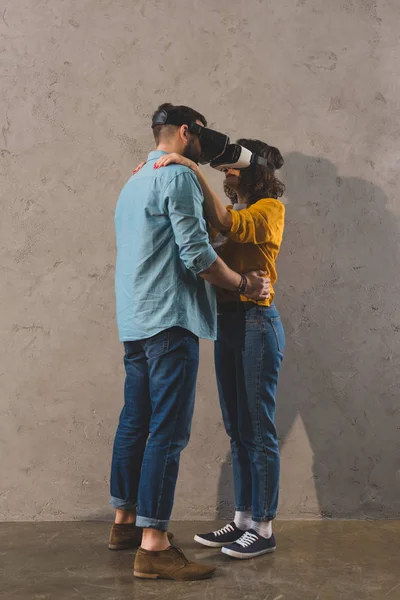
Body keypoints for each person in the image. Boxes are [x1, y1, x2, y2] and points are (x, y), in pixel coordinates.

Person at [108, 104, 270, 581]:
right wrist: (243, 284)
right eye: (199, 140)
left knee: (135, 422)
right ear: (185, 132)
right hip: (169, 318)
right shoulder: (176, 177)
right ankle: (154, 546)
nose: (203, 150)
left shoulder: (134, 178)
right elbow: (196, 254)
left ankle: (125, 523)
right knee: (168, 431)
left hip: (135, 318)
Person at [152, 138, 286, 560]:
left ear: (253, 171)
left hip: (256, 322)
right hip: (228, 324)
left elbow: (232, 226)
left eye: (232, 165)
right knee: (238, 430)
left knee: (259, 430)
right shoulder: (241, 211)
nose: (225, 171)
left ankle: (264, 528)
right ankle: (243, 519)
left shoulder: (270, 211)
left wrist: (191, 170)